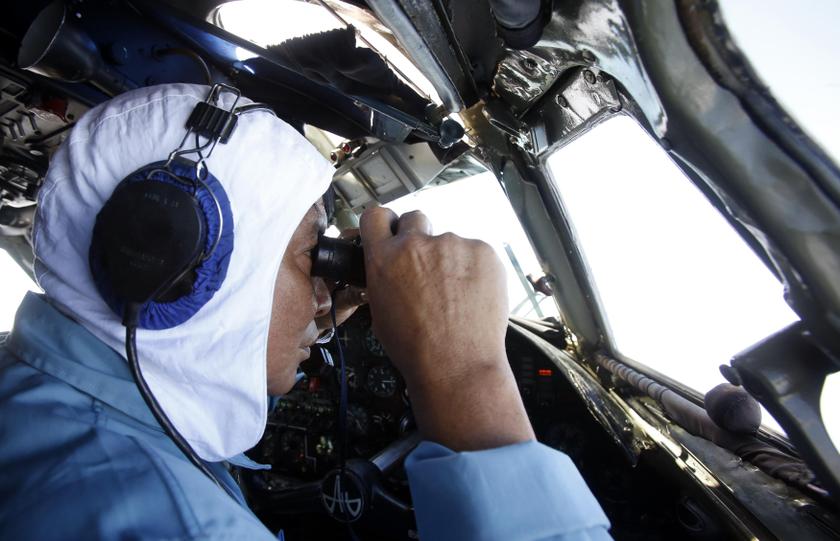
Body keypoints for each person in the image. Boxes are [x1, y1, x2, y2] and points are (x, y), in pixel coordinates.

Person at [0, 84, 610, 540]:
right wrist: (465, 381)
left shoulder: (42, 404)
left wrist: (308, 316)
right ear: (175, 270)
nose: (326, 293)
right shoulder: (176, 524)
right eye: (310, 259)